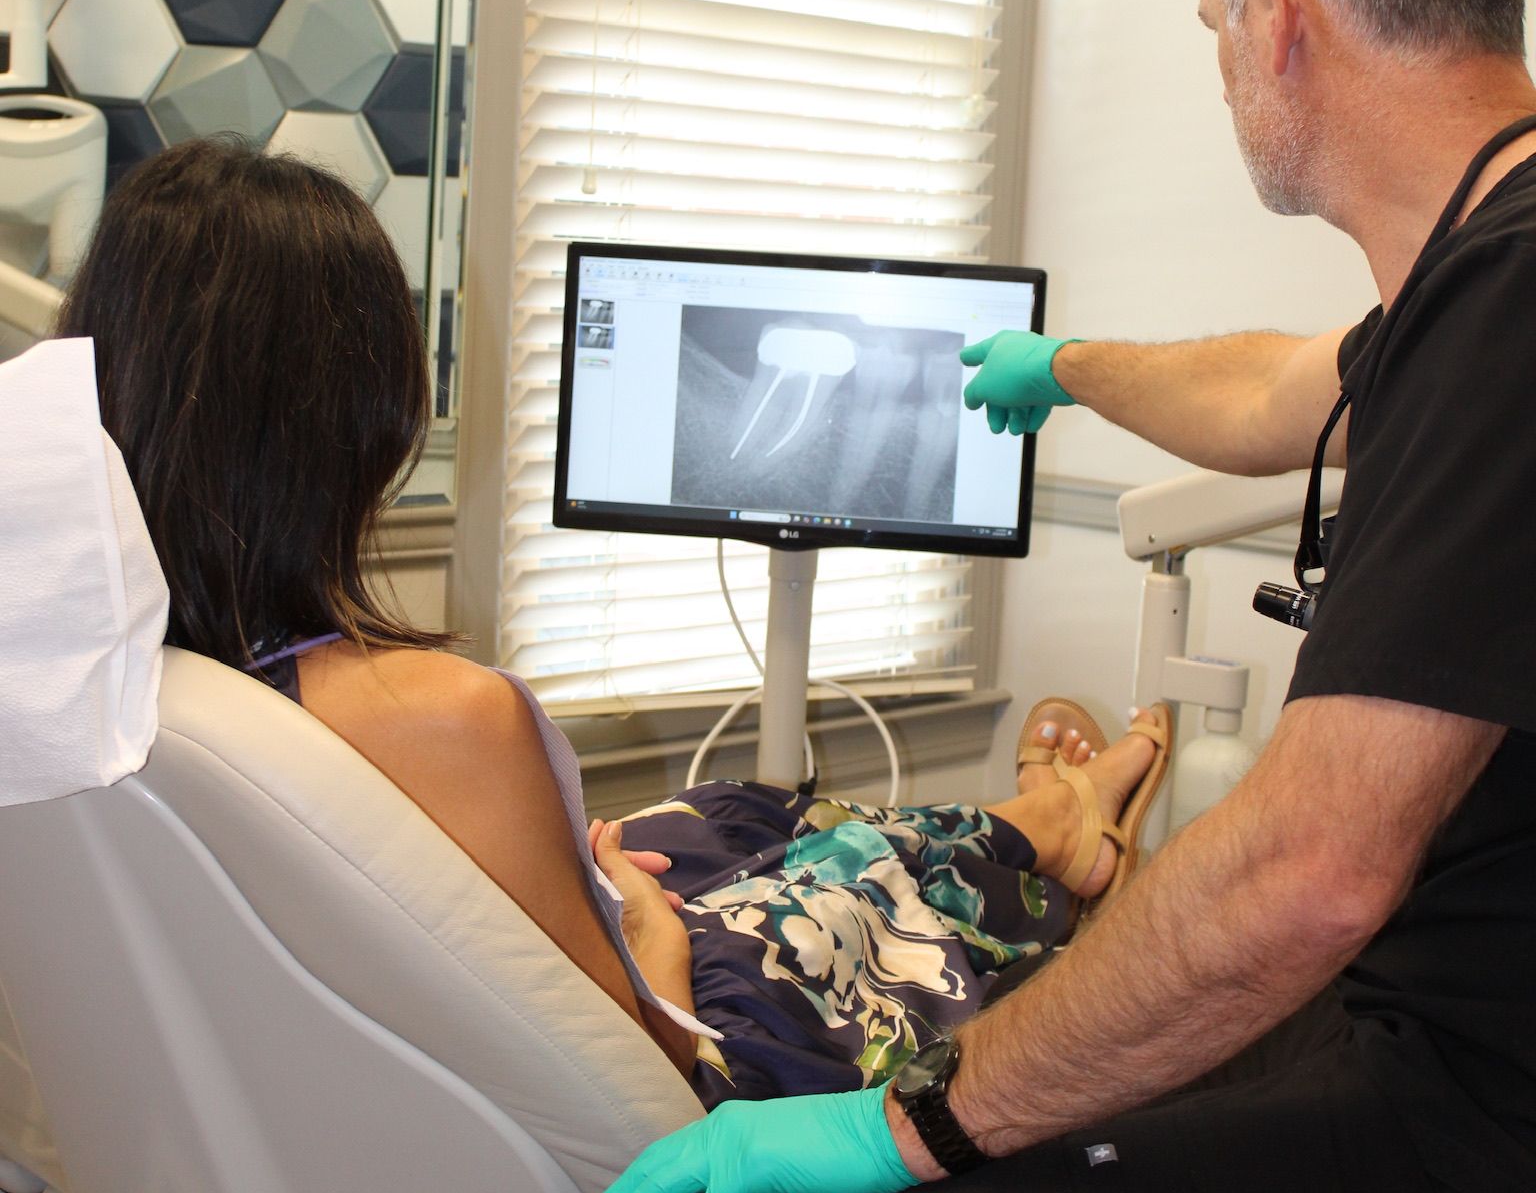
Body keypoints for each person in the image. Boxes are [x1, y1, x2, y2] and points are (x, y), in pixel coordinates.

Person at [543, 0, 1536, 1193]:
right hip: (1449, 1059)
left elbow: (1310, 874)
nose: (1220, 66)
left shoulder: (1518, 304)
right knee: (1061, 1096)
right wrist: (1066, 365)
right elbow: (1279, 388)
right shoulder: (1484, 262)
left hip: (1488, 1163)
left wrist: (910, 1116)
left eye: (1212, 25)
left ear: (1278, 15)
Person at [55, 136, 1168, 1108]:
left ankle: (1034, 822)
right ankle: (1057, 833)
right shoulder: (446, 719)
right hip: (676, 1069)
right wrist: (645, 931)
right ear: (355, 418)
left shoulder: (74, 693)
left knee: (734, 813)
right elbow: (635, 1076)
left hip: (338, 1080)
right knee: (844, 873)